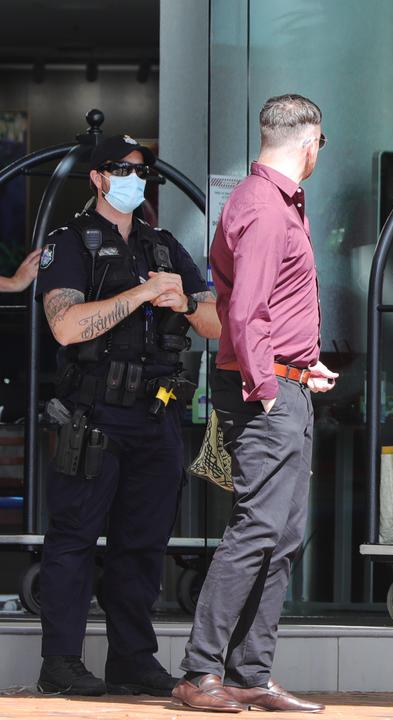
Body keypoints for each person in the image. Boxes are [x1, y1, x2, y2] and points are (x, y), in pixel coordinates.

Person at [35, 134, 219, 696]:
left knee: (143, 544)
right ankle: (61, 664)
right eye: (122, 168)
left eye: (141, 171)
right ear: (97, 177)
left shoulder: (162, 245)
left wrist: (185, 303)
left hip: (156, 414)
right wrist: (140, 296)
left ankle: (133, 659)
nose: (133, 178)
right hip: (92, 414)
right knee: (75, 540)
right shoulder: (69, 242)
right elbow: (65, 326)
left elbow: (217, 322)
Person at [173, 94, 338, 714]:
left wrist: (302, 365)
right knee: (258, 528)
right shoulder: (266, 209)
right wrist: (269, 387)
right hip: (264, 392)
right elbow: (244, 312)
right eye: (322, 145)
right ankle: (199, 672)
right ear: (310, 142)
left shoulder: (270, 202)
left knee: (282, 532)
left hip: (286, 382)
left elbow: (270, 309)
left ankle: (249, 673)